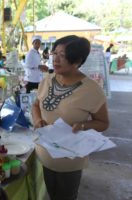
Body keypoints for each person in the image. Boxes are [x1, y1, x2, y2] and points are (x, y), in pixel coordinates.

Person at [32, 35, 109, 200]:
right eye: (55, 53)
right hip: (44, 153)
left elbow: (103, 123)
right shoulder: (47, 80)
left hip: (69, 159)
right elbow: (36, 106)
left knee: (66, 196)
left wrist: (83, 125)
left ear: (77, 60)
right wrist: (38, 120)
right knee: (51, 195)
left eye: (63, 55)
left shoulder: (91, 90)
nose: (56, 59)